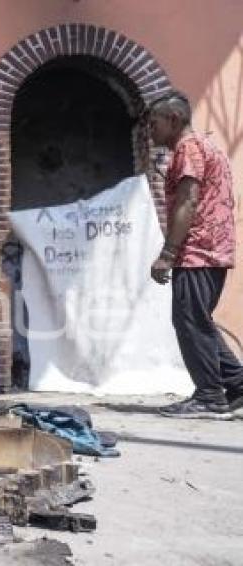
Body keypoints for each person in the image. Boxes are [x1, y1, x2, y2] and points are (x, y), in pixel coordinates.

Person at [148, 90, 243, 417]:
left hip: (198, 250)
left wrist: (168, 253)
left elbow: (188, 201)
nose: (151, 131)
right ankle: (237, 384)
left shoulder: (188, 149)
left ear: (173, 120)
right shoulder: (206, 146)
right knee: (197, 321)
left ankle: (209, 397)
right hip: (213, 249)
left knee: (189, 320)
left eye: (154, 123)